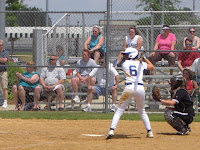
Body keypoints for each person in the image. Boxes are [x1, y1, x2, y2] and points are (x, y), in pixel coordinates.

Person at [106, 47, 154, 139]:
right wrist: (143, 59)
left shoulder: (125, 64)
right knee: (142, 111)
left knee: (119, 110)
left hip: (129, 88)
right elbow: (152, 67)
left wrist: (139, 59)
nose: (125, 57)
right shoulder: (141, 64)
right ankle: (149, 131)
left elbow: (122, 61)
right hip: (140, 88)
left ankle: (111, 130)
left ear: (131, 55)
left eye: (127, 55)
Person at [0, 40, 9, 108]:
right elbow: (2, 60)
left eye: (0, 45)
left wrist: (3, 59)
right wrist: (1, 59)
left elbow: (5, 60)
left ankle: (5, 102)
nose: (0, 46)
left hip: (3, 71)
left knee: (4, 87)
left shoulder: (5, 52)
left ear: (3, 45)